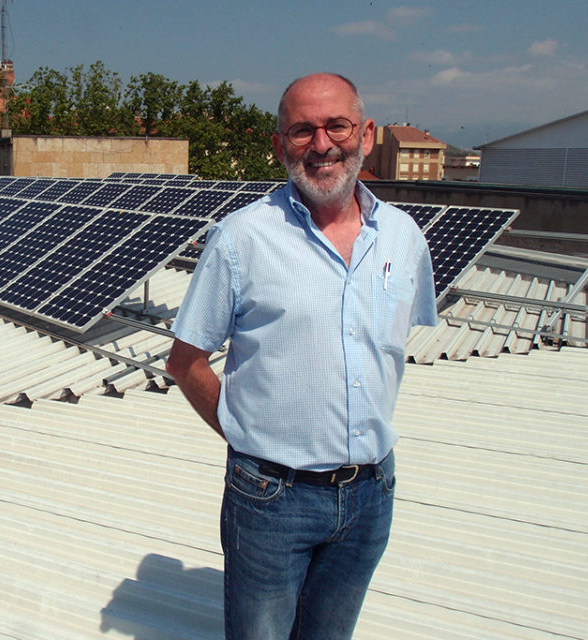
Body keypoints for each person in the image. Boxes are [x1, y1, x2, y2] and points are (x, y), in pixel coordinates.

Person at [165, 73, 438, 639]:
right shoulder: (241, 239)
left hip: (371, 497)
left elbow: (383, 348)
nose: (321, 144)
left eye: (336, 125)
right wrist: (248, 438)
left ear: (364, 132)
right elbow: (184, 362)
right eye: (301, 131)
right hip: (269, 499)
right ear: (278, 144)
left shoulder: (405, 238)